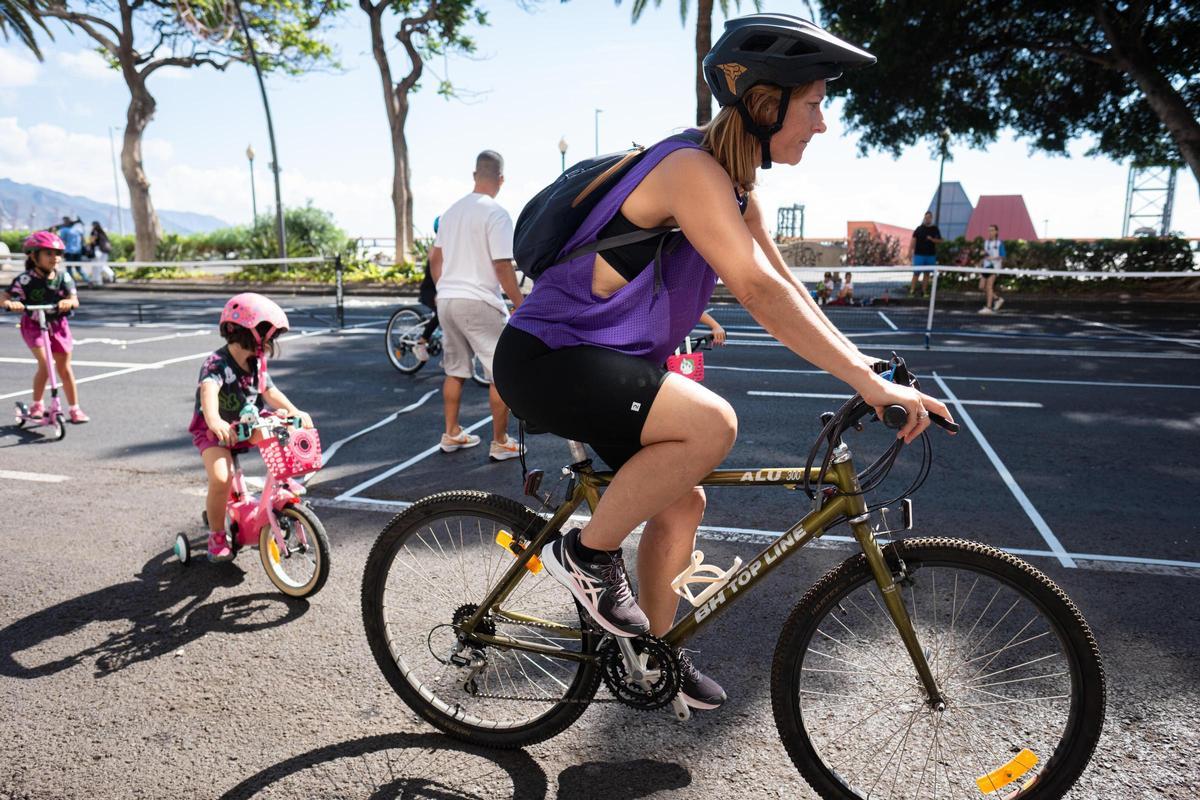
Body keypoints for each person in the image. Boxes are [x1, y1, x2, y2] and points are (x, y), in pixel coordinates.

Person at [492, 13, 954, 711]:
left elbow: (787, 284)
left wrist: (867, 366)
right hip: (548, 359)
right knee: (711, 425)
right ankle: (585, 554)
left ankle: (654, 658)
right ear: (765, 104)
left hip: (595, 360)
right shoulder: (688, 169)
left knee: (682, 501)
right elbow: (757, 290)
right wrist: (863, 381)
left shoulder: (738, 192)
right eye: (814, 105)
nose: (822, 124)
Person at [189, 293, 312, 561]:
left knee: (281, 427)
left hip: (246, 424)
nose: (270, 341)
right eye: (267, 334)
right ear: (247, 331)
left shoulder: (256, 362)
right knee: (221, 479)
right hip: (215, 432)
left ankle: (284, 479)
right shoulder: (217, 363)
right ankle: (217, 536)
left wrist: (294, 411)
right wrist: (215, 420)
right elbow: (209, 389)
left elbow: (269, 390)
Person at [430, 151, 526, 462]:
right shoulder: (496, 213)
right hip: (479, 300)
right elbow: (502, 265)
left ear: (474, 175)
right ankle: (500, 441)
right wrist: (520, 303)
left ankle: (452, 433)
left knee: (455, 370)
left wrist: (442, 289)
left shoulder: (451, 212)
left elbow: (435, 259)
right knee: (500, 372)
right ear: (501, 179)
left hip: (447, 298)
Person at [2, 231, 90, 423]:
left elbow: (74, 298)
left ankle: (75, 408)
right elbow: (5, 296)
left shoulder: (63, 278)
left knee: (64, 367)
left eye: (57, 253)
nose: (55, 258)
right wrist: (11, 303)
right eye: (48, 253)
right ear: (34, 256)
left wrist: (69, 302)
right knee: (46, 364)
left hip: (58, 325)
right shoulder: (25, 280)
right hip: (34, 324)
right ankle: (37, 405)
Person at [414, 217, 442, 363]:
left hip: (442, 290)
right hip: (430, 291)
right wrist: (439, 291)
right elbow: (435, 272)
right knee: (442, 312)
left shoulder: (449, 246)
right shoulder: (436, 248)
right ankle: (421, 342)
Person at [910, 211, 942, 296]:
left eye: (929, 217)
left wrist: (932, 239)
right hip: (919, 255)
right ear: (924, 218)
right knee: (916, 273)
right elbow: (913, 240)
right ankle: (912, 291)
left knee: (927, 273)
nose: (927, 219)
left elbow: (940, 240)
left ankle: (924, 292)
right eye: (926, 217)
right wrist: (910, 251)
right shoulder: (919, 229)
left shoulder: (935, 229)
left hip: (930, 255)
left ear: (931, 218)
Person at [978, 224, 1005, 314]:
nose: (990, 232)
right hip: (985, 267)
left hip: (994, 267)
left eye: (992, 230)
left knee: (989, 287)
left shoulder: (1000, 243)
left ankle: (988, 307)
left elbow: (1002, 256)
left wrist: (992, 258)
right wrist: (982, 257)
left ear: (996, 231)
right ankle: (997, 299)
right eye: (989, 230)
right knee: (981, 286)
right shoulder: (986, 242)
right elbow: (985, 254)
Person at [56, 217, 86, 283]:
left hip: (69, 252)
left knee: (69, 268)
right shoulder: (78, 230)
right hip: (78, 251)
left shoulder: (64, 230)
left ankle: (72, 282)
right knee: (79, 269)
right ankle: (88, 281)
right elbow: (82, 240)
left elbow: (61, 241)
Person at [87, 221, 115, 286]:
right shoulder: (102, 232)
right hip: (105, 251)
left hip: (98, 251)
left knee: (97, 266)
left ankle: (97, 280)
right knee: (101, 265)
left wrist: (89, 244)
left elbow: (92, 241)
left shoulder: (94, 232)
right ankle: (111, 275)